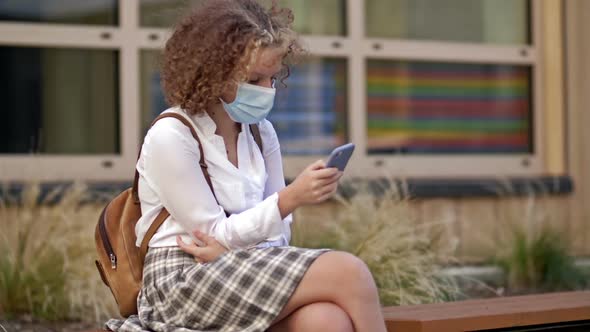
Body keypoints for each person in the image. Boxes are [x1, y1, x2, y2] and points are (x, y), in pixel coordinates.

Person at [105, 1, 387, 331]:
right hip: (182, 278)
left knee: (326, 320)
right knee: (348, 273)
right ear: (211, 72)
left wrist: (240, 241)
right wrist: (289, 199)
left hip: (242, 265)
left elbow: (279, 234)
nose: (268, 91)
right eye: (254, 79)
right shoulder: (171, 135)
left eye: (272, 77)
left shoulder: (261, 132)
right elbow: (210, 237)